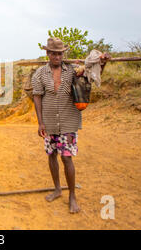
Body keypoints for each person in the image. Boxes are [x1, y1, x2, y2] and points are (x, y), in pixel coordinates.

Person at [32, 37, 110, 213]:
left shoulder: (74, 71)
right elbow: (37, 96)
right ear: (48, 53)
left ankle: (72, 196)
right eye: (53, 53)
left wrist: (102, 63)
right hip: (49, 121)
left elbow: (92, 75)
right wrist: (40, 122)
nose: (57, 57)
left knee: (66, 157)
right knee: (51, 155)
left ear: (62, 54)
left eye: (59, 53)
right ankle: (58, 189)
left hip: (69, 120)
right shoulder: (40, 74)